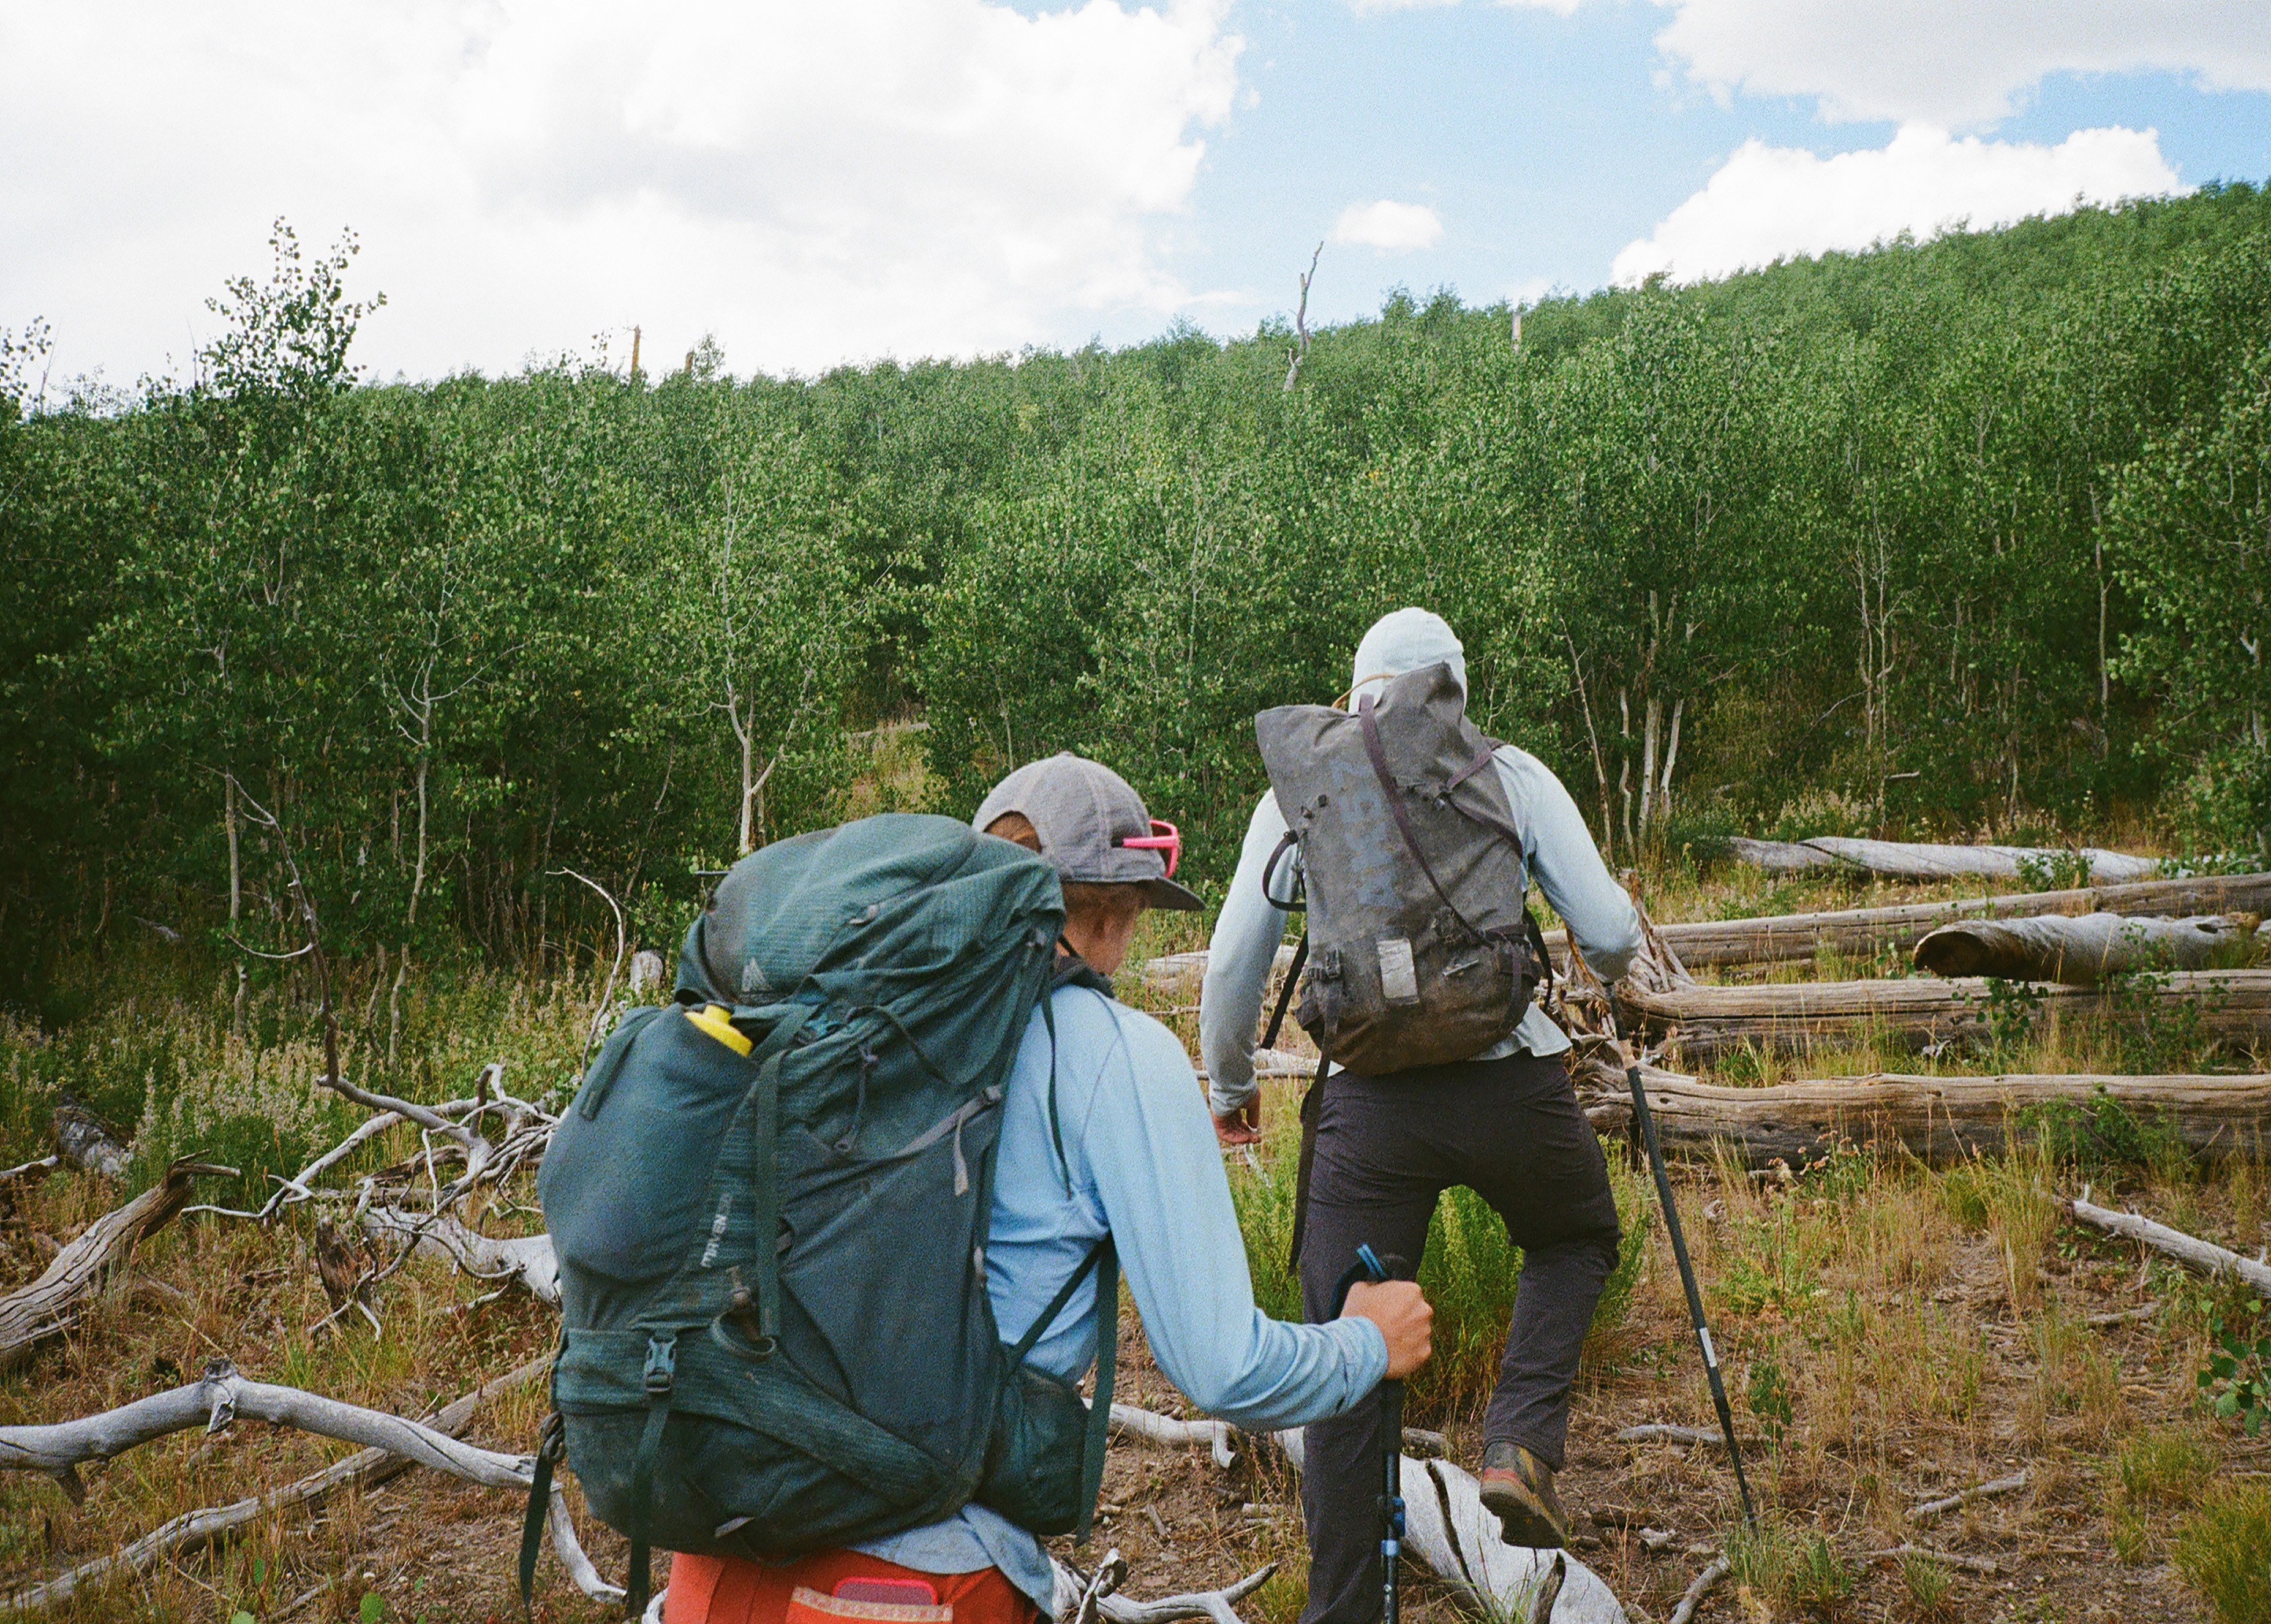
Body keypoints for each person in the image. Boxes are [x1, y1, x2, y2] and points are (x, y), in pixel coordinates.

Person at [663, 751, 1434, 1624]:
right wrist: (1366, 1343)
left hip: (716, 1555)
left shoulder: (837, 1020)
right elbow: (1223, 1369)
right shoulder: (1117, 1054)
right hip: (911, 1584)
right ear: (1114, 913)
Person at [1199, 608, 1635, 1623]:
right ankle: (1519, 1443)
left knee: (1346, 1348)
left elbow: (1229, 968)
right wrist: (1604, 970)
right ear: (1455, 688)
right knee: (1573, 1236)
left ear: (1353, 693)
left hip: (1368, 1108)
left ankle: (1345, 1609)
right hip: (1510, 1087)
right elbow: (1610, 931)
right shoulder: (1506, 772)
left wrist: (1230, 1090)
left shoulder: (1300, 790)